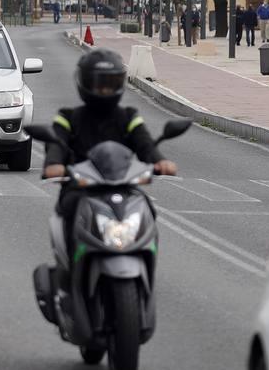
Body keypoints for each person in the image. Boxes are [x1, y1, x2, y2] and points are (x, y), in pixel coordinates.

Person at [42, 49, 178, 268]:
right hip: (81, 187)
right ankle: (71, 264)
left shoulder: (128, 116)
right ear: (85, 83)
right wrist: (54, 164)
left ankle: (146, 259)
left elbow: (144, 143)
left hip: (121, 186)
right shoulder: (69, 118)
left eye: (110, 83)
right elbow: (56, 143)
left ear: (119, 84)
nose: (104, 90)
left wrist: (159, 160)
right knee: (70, 206)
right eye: (98, 84)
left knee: (146, 208)